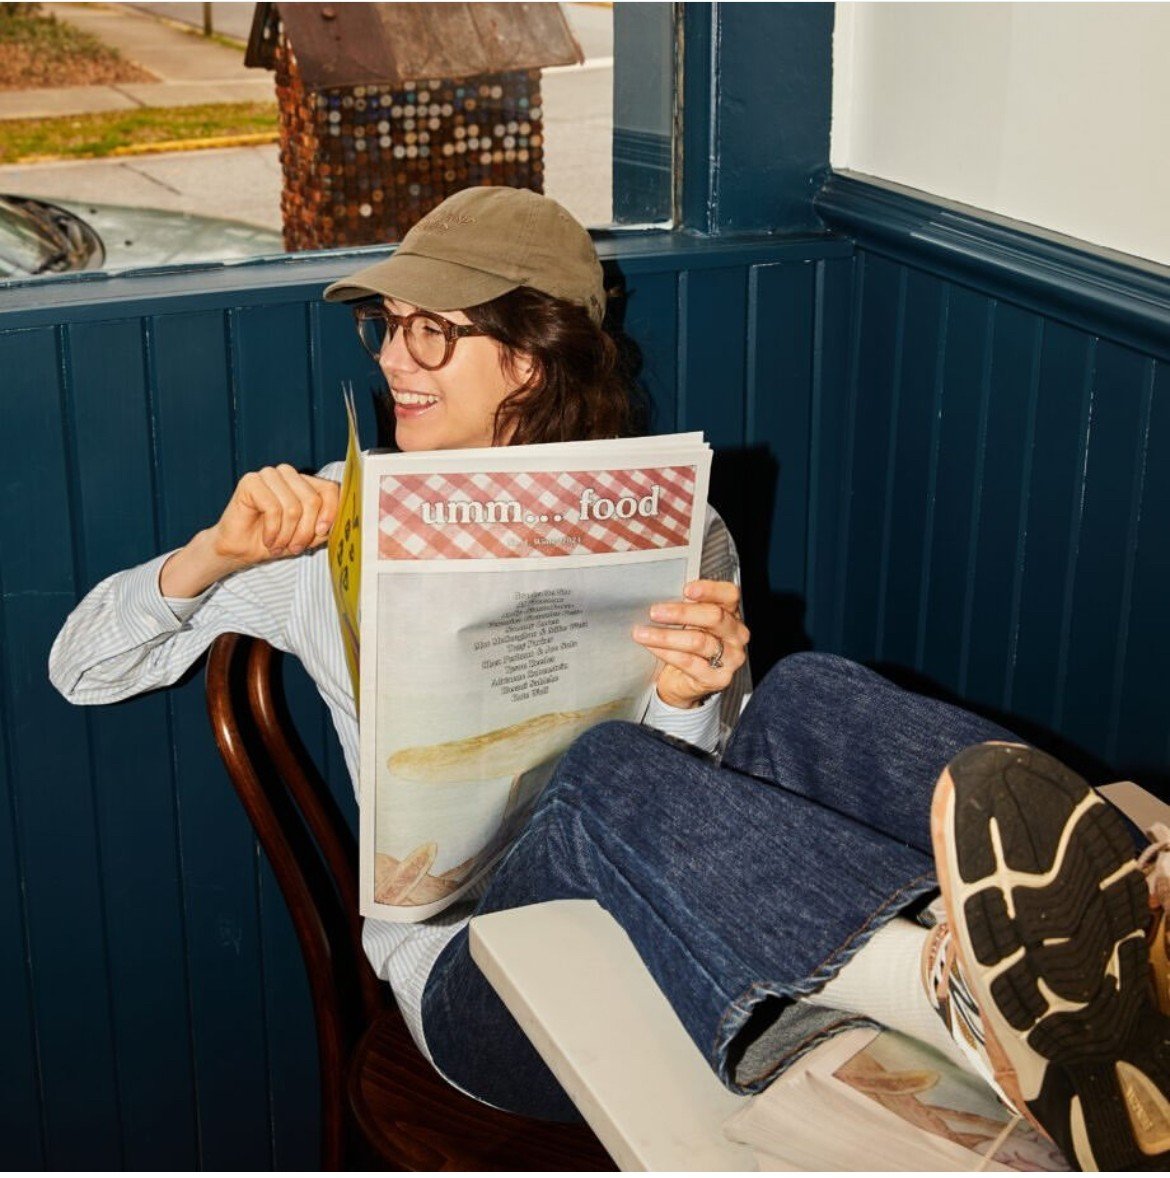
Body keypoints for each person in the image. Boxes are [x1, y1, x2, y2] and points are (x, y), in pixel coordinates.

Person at [49, 185, 1170, 1171]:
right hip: (473, 974)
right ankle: (961, 995)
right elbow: (81, 667)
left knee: (808, 688)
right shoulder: (332, 540)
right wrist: (214, 555)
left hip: (657, 916)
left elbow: (700, 799)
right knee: (603, 768)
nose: (392, 358)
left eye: (431, 332)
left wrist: (693, 698)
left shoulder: (676, 530)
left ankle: (1138, 906)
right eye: (387, 328)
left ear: (527, 359)